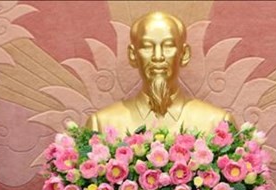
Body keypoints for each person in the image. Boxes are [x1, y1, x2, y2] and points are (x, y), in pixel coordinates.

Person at [86, 11, 234, 135]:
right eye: (147, 47)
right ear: (133, 55)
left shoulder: (218, 124)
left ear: (184, 54)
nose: (158, 56)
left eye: (168, 46)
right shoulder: (101, 124)